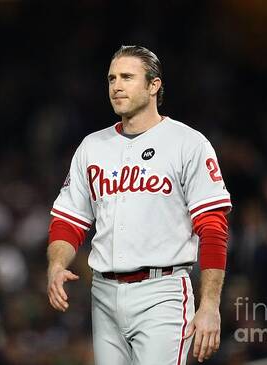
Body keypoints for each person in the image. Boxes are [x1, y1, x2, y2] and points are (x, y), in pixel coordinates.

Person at [46, 45, 232, 365]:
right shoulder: (92, 146)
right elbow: (69, 220)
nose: (116, 86)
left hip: (163, 292)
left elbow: (213, 227)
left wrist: (210, 304)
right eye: (111, 78)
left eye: (128, 77)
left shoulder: (188, 143)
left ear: (153, 85)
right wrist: (56, 264)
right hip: (103, 294)